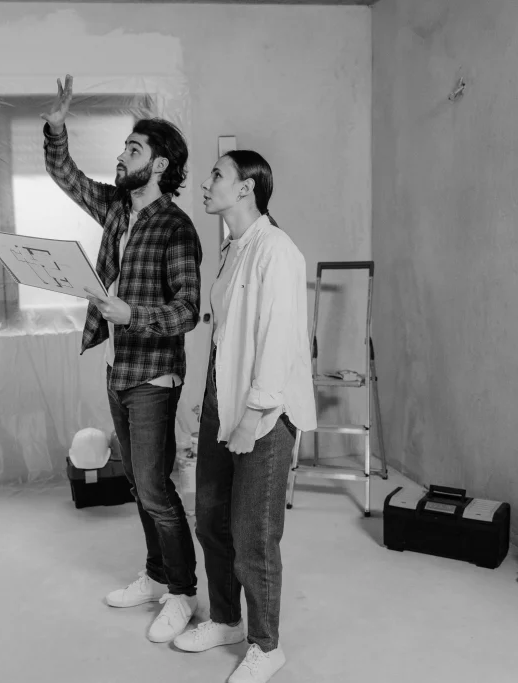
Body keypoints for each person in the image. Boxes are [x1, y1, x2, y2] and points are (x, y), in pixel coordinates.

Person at [40, 75, 204, 643]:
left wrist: (132, 314)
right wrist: (56, 127)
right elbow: (66, 176)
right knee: (139, 482)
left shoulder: (176, 228)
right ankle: (157, 576)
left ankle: (182, 591)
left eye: (133, 149)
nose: (121, 156)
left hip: (154, 376)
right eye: (123, 147)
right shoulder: (116, 209)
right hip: (119, 370)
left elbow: (188, 311)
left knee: (156, 488)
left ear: (158, 165)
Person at [172, 150, 316, 683]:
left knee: (253, 534)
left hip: (265, 414)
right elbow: (226, 336)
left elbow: (277, 342)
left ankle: (266, 645)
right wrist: (210, 399)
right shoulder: (233, 248)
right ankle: (227, 619)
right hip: (223, 404)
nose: (206, 182)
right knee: (211, 519)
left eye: (218, 175)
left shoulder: (277, 251)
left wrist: (252, 418)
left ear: (246, 188)